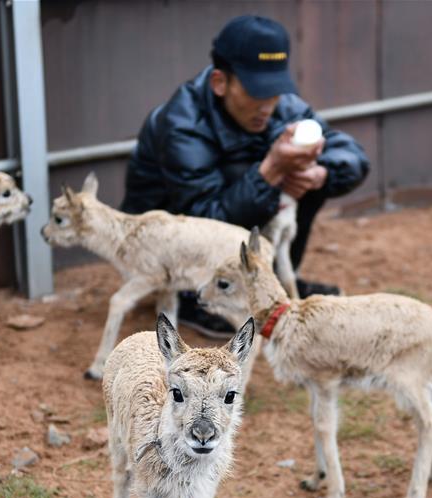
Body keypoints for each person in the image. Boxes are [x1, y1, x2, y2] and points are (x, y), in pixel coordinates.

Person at [121, 15, 370, 336]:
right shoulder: (181, 124)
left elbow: (353, 156)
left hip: (229, 212)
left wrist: (319, 174)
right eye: (256, 91)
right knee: (267, 172)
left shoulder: (283, 107)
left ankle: (275, 278)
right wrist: (270, 170)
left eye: (275, 90)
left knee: (306, 170)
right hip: (164, 246)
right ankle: (192, 298)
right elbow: (205, 218)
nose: (267, 105)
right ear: (220, 83)